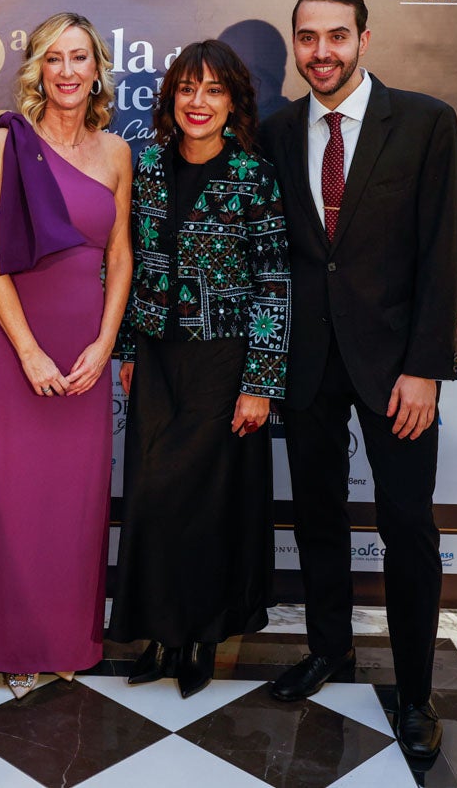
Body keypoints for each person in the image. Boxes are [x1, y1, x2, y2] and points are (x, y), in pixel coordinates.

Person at [260, 0, 457, 758]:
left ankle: (414, 692)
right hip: (307, 364)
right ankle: (328, 647)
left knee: (407, 526)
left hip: (395, 368)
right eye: (307, 38)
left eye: (336, 37)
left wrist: (423, 368)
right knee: (316, 519)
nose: (321, 53)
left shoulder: (424, 122)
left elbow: (440, 254)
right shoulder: (277, 132)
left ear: (364, 40)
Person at [108, 40, 288, 699]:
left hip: (224, 359)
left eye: (212, 90)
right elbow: (127, 266)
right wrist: (128, 349)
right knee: (153, 498)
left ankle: (200, 640)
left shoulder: (254, 174)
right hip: (156, 355)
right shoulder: (147, 166)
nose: (197, 102)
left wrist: (260, 383)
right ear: (170, 99)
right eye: (187, 89)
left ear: (233, 101)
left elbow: (273, 283)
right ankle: (158, 634)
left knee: (206, 505)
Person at [0, 12, 133, 697]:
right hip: (19, 350)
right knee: (16, 497)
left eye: (79, 58)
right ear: (37, 69)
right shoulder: (6, 144)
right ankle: (14, 642)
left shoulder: (117, 153)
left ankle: (68, 638)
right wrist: (28, 351)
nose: (67, 72)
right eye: (53, 59)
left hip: (86, 351)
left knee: (76, 501)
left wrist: (104, 342)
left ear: (97, 68)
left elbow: (120, 257)